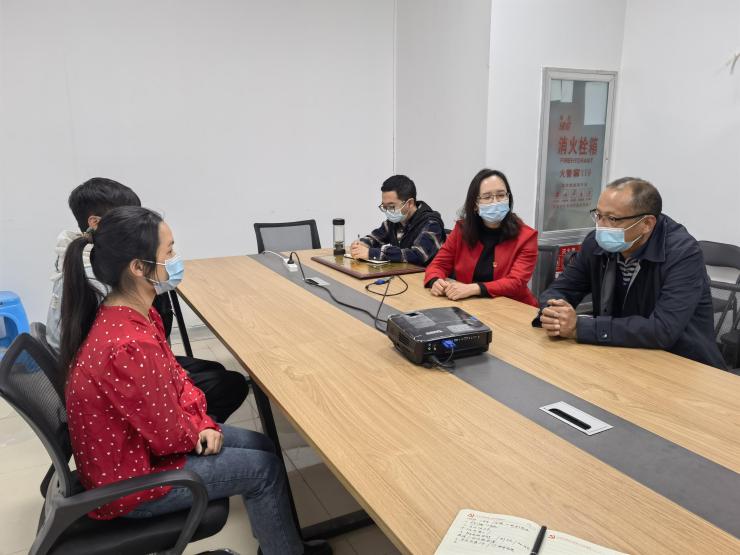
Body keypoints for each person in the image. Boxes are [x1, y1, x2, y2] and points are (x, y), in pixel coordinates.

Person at [59, 206, 330, 555]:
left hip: (141, 452)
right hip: (130, 484)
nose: (176, 258)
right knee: (265, 470)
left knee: (262, 445)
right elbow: (168, 438)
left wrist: (202, 421)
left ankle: (279, 544)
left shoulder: (136, 314)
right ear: (138, 267)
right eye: (169, 250)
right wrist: (198, 428)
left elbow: (177, 378)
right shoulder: (128, 345)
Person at [47, 177, 248, 422]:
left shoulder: (94, 267)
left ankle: (199, 420)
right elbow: (130, 373)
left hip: (114, 374)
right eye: (169, 251)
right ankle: (200, 429)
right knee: (229, 384)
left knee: (213, 371)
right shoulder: (104, 292)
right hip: (115, 387)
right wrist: (196, 422)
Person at [533, 177, 726, 369]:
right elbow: (561, 288)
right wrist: (555, 312)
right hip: (620, 354)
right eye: (598, 215)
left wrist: (579, 327)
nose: (601, 226)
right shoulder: (596, 243)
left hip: (681, 363)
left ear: (647, 224)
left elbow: (663, 329)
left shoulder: (683, 253)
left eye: (612, 219)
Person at [424, 169, 538, 305]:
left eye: (501, 195)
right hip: (472, 305)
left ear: (509, 198)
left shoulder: (526, 237)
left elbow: (516, 282)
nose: (495, 201)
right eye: (487, 197)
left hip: (514, 307)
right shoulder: (462, 230)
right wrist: (435, 280)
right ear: (475, 204)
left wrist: (474, 288)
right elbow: (438, 265)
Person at [350, 174, 445, 266]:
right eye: (384, 206)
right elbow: (375, 238)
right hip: (403, 273)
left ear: (410, 203)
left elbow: (418, 255)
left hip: (425, 275)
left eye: (391, 206)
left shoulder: (432, 224)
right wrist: (361, 244)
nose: (388, 211)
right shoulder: (394, 221)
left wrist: (373, 253)